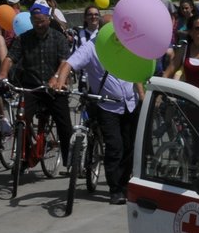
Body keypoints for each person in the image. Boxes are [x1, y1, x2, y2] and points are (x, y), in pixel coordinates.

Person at [48, 34, 143, 204]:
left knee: (129, 147)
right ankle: (115, 191)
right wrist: (61, 82)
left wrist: (142, 95)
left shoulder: (126, 42)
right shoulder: (91, 47)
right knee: (115, 147)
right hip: (107, 105)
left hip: (130, 103)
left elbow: (135, 69)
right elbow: (69, 64)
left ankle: (124, 185)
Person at [11, 0, 76, 170]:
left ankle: (69, 158)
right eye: (35, 21)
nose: (39, 24)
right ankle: (23, 156)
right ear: (31, 20)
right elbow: (10, 58)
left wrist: (56, 78)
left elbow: (64, 62)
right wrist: (3, 74)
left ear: (48, 19)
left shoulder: (58, 37)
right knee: (22, 119)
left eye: (42, 21)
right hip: (31, 87)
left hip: (54, 87)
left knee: (64, 123)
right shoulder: (23, 38)